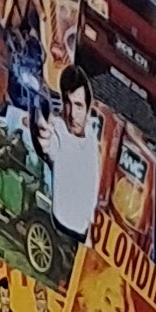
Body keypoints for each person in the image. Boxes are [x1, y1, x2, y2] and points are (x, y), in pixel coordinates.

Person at [40, 69, 101, 237]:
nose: (73, 114)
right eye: (68, 103)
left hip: (88, 231)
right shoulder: (57, 131)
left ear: (87, 107)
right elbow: (47, 142)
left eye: (78, 105)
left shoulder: (92, 135)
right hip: (62, 227)